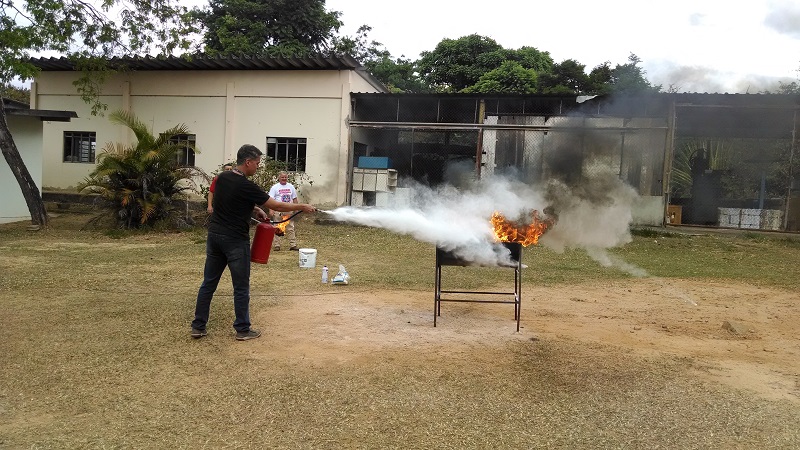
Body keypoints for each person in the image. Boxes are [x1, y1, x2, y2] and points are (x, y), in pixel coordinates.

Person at [192, 145, 316, 341]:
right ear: (247, 162)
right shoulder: (247, 185)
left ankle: (198, 326)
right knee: (241, 287)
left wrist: (255, 208)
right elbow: (275, 205)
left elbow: (232, 199)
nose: (258, 167)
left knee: (208, 283)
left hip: (214, 237)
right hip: (235, 241)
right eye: (257, 163)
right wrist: (302, 206)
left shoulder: (222, 178)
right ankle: (242, 329)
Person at [268, 171, 299, 251]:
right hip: (278, 211)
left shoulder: (291, 187)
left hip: (289, 211)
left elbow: (294, 198)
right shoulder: (275, 187)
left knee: (290, 228)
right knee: (277, 228)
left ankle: (293, 245)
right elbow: (270, 200)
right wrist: (271, 210)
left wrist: (296, 209)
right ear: (279, 178)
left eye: (285, 177)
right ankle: (277, 245)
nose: (284, 179)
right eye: (282, 177)